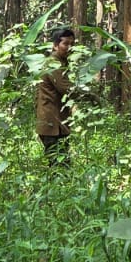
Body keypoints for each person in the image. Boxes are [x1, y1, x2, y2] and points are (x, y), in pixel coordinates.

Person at [35, 27, 76, 162]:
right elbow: (65, 88)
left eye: (72, 44)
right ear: (55, 45)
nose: (69, 47)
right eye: (65, 43)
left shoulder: (63, 62)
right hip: (51, 124)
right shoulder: (53, 63)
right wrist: (90, 96)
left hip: (59, 123)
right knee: (58, 164)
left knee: (62, 162)